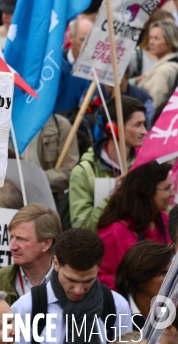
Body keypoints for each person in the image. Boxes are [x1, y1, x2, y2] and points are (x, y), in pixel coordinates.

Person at [11, 228, 131, 344]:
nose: (78, 290)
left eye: (88, 281)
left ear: (99, 267)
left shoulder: (117, 307)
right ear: (56, 263)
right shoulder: (26, 308)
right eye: (71, 280)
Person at [69, 96, 148, 231]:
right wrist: (112, 197)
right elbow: (82, 229)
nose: (144, 131)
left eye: (144, 124)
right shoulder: (83, 172)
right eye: (137, 125)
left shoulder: (146, 166)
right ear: (113, 128)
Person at [97, 161, 173, 289]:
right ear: (146, 192)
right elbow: (98, 278)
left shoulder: (165, 220)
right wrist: (137, 284)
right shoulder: (113, 233)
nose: (171, 194)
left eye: (171, 187)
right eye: (166, 189)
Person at [0, 204, 61, 306]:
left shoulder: (70, 284)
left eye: (21, 239)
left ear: (46, 243)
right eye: (11, 237)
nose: (12, 246)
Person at [18, 114, 80, 202]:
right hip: (12, 200)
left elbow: (70, 172)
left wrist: (35, 180)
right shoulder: (4, 126)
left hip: (47, 201)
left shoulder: (60, 125)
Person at [115, 241, 174, 329]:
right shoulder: (115, 312)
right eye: (165, 273)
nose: (172, 279)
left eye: (172, 272)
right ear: (140, 278)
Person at [136, 20, 178, 109]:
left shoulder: (163, 71)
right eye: (150, 37)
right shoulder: (166, 64)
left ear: (170, 42)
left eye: (156, 38)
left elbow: (153, 105)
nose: (151, 42)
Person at [54, 18, 93, 113]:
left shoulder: (97, 68)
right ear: (71, 38)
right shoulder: (56, 63)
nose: (86, 45)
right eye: (82, 40)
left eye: (90, 40)